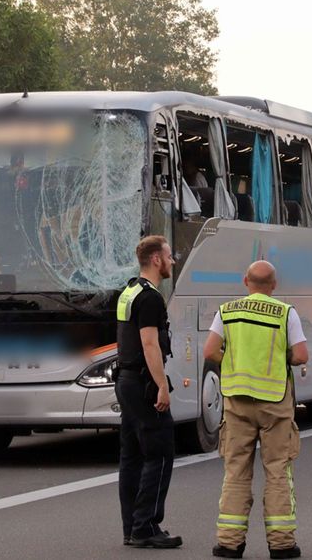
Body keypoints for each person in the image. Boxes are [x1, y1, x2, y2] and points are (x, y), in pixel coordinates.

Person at [203, 261, 308, 559]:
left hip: (237, 401)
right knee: (277, 470)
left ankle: (229, 543)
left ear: (245, 281)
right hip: (275, 402)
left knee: (236, 470)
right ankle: (282, 544)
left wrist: (235, 360)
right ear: (274, 285)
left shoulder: (227, 311)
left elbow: (210, 351)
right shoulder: (286, 312)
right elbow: (301, 355)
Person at [115, 235, 182, 549]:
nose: (171, 261)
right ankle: (147, 525)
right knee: (160, 452)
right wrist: (161, 386)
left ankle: (131, 526)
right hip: (143, 383)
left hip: (125, 381)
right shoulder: (152, 298)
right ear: (156, 259)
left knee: (131, 457)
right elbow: (150, 343)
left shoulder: (128, 291)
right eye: (169, 256)